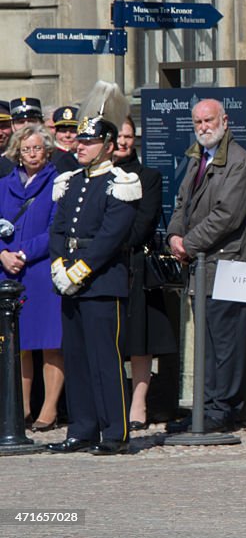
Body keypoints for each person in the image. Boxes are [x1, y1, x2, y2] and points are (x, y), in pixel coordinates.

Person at [46, 81, 141, 455]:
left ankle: (114, 432)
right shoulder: (69, 182)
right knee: (77, 358)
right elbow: (58, 228)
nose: (79, 147)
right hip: (69, 279)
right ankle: (82, 428)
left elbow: (111, 236)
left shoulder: (121, 183)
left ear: (106, 145)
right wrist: (58, 264)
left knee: (105, 359)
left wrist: (79, 269)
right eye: (78, 142)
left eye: (87, 142)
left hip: (101, 281)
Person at [166, 99, 246, 433]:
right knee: (204, 341)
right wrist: (175, 235)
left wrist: (188, 244)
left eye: (209, 120)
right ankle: (204, 408)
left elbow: (227, 216)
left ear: (225, 120)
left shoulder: (239, 162)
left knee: (225, 342)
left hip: (228, 264)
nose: (203, 127)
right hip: (201, 265)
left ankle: (223, 408)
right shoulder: (197, 159)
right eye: (198, 122)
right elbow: (182, 203)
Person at [114, 116, 176, 431]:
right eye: (119, 136)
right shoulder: (97, 175)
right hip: (101, 267)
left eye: (128, 136)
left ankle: (138, 404)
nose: (124, 142)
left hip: (134, 264)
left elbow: (143, 223)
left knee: (140, 340)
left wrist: (108, 242)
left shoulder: (148, 176)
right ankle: (113, 401)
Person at [0, 126, 61, 431]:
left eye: (37, 148)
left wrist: (22, 253)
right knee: (18, 343)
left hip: (40, 269)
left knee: (50, 342)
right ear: (17, 152)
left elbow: (55, 229)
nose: (32, 154)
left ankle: (48, 409)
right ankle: (20, 407)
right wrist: (2, 254)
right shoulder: (4, 185)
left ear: (47, 150)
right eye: (26, 149)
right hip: (8, 270)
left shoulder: (57, 182)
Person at [51, 106, 81, 173]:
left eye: (73, 131)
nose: (67, 135)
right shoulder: (52, 156)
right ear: (56, 133)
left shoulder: (85, 156)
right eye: (63, 131)